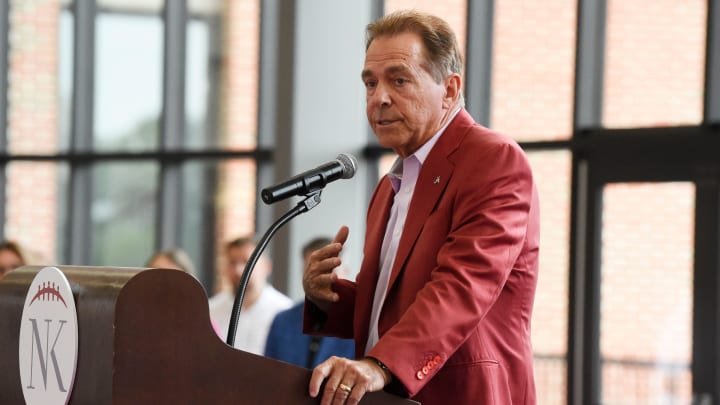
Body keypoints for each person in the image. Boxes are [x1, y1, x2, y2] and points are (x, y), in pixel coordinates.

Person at [302, 10, 540, 405]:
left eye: (399, 79)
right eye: (370, 82)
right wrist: (328, 298)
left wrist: (380, 366)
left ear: (449, 90)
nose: (379, 97)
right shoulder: (390, 185)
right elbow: (390, 303)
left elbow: (463, 285)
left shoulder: (493, 160)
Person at [264, 237, 354, 368]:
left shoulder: (360, 325)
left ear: (345, 271)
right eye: (313, 270)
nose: (320, 277)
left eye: (329, 268)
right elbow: (267, 372)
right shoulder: (282, 321)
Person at [209, 236, 292, 355]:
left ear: (266, 266)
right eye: (232, 262)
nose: (238, 270)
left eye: (246, 262)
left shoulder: (284, 311)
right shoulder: (211, 310)